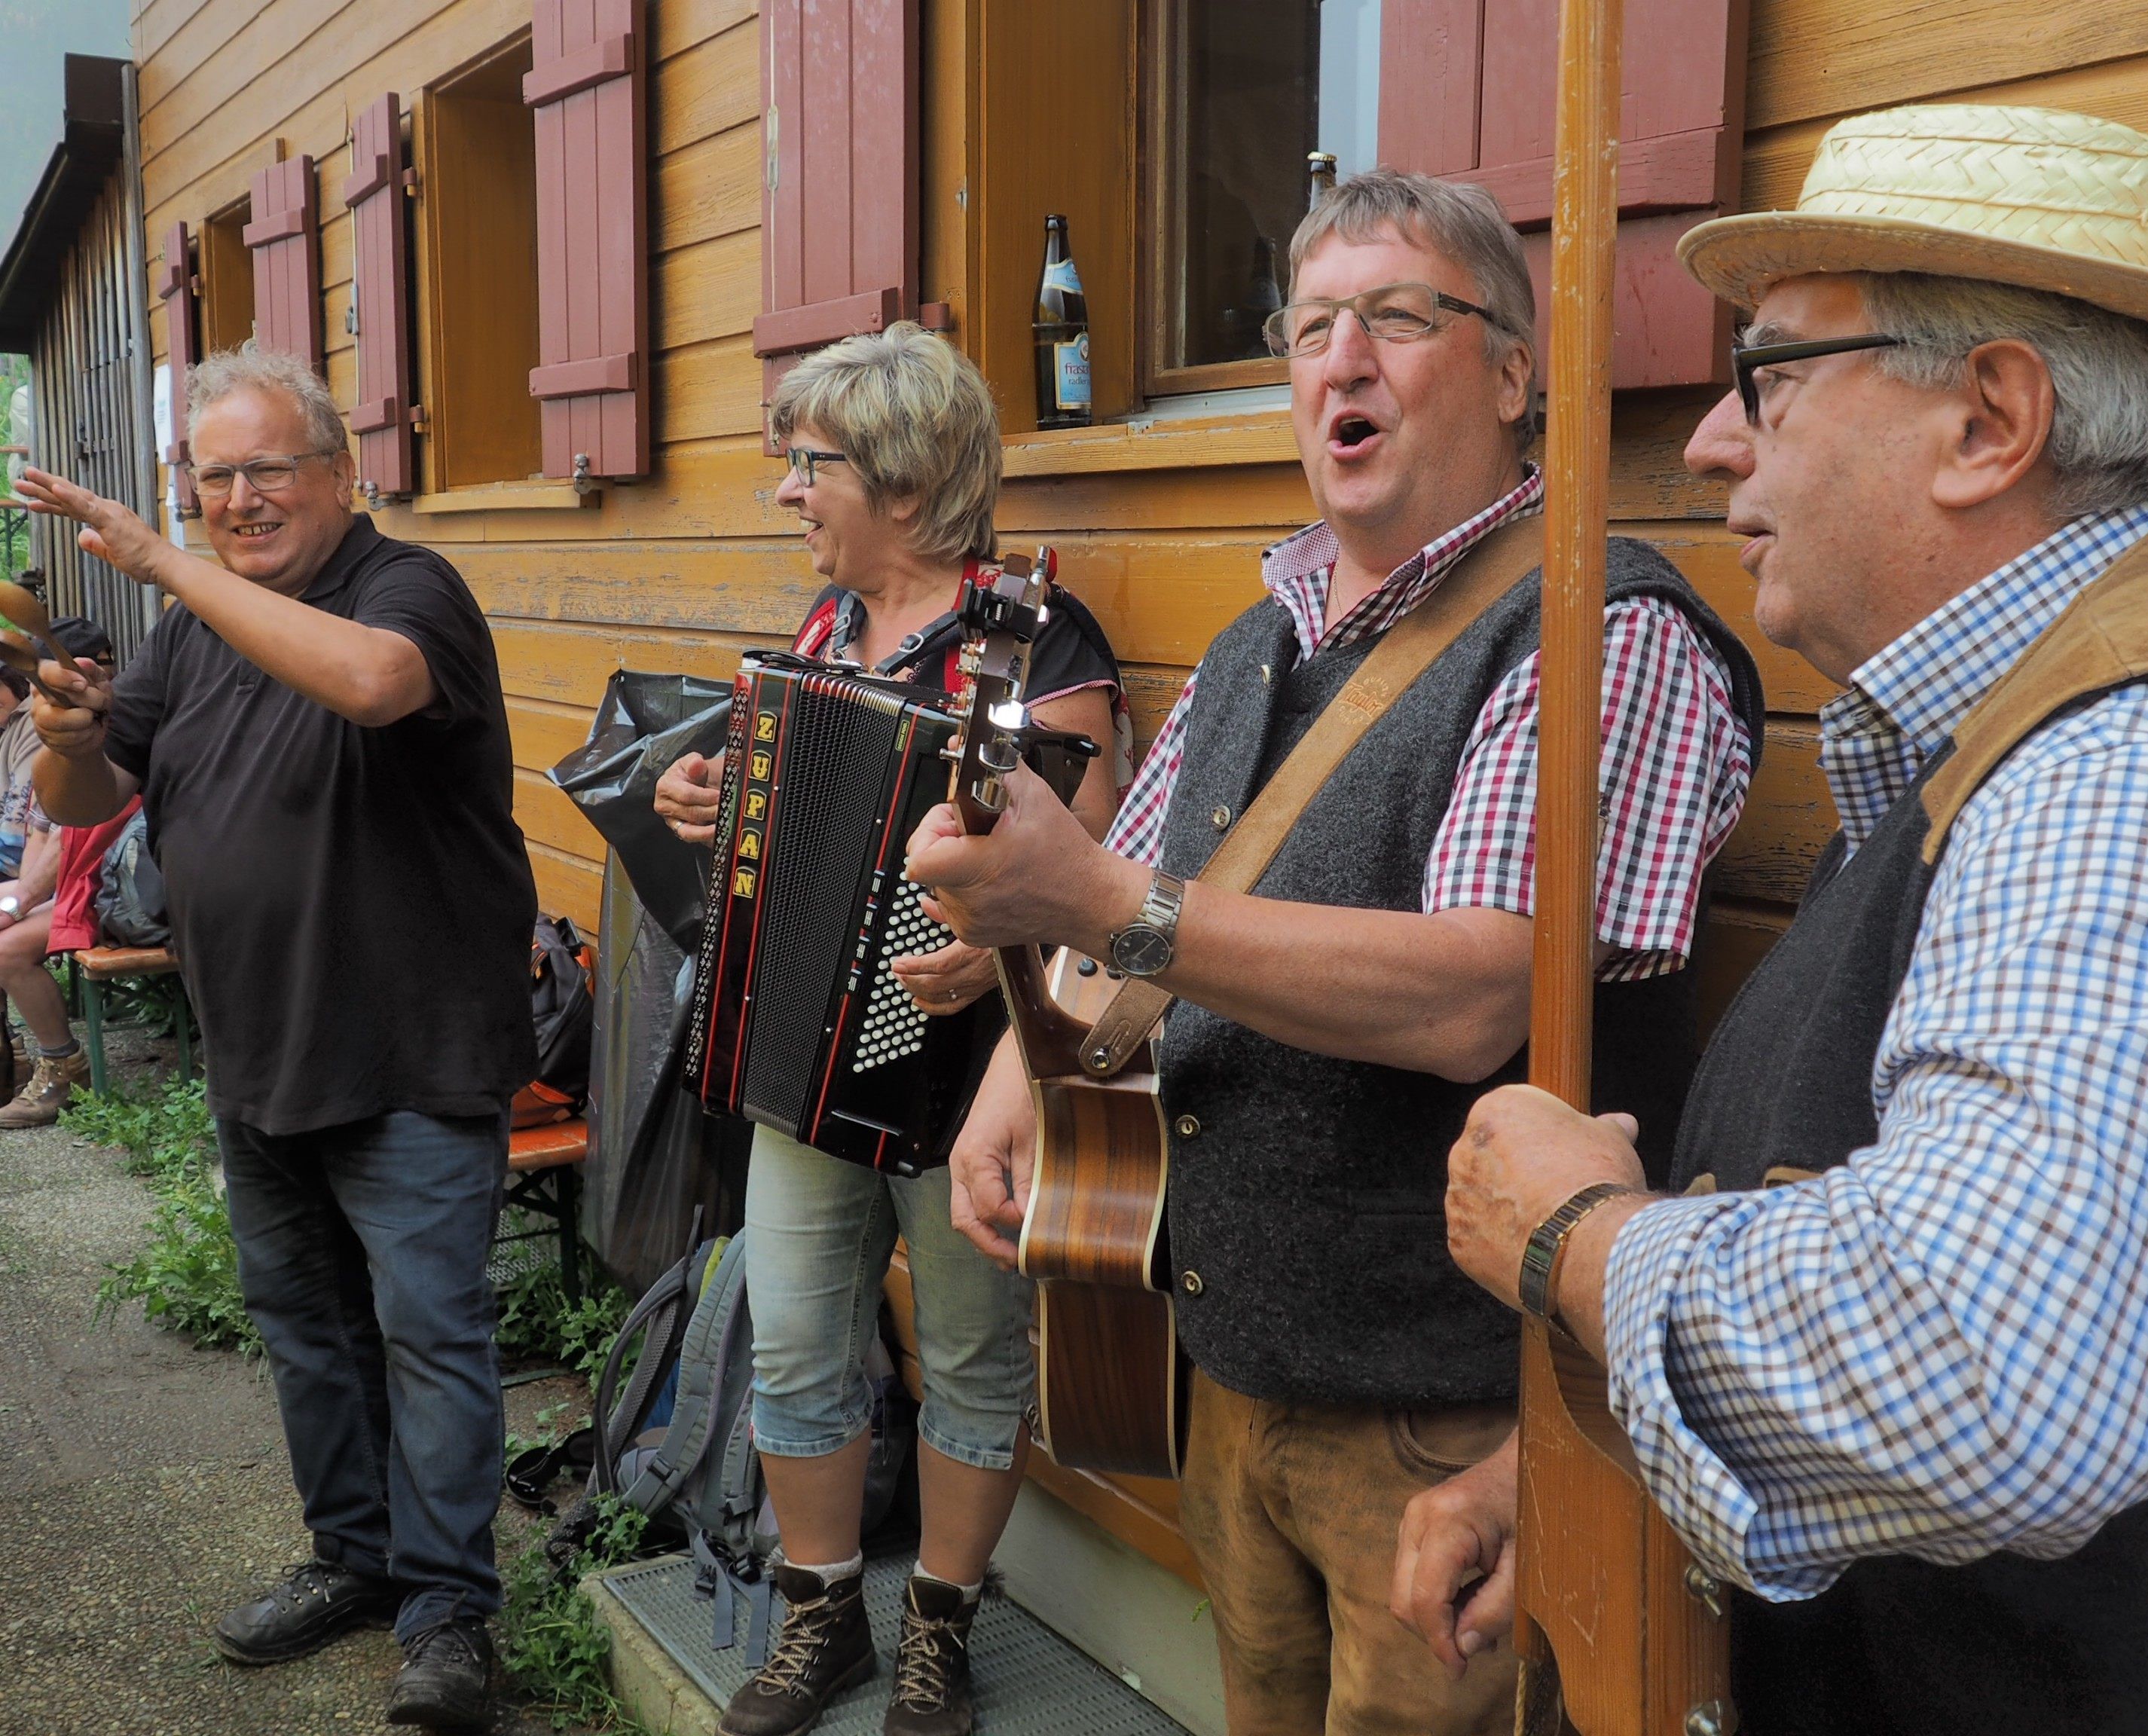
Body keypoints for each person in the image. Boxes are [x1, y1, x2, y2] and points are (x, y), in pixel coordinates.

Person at [1412, 103, 2148, 1735]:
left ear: (1989, 419)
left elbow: (1975, 1359)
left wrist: (1574, 1245)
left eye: (1772, 375)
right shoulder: (2015, 721)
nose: (1710, 441)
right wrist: (1581, 1449)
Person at [908, 169, 1759, 1736]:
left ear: (1513, 371)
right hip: (1240, 1375)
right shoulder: (1260, 638)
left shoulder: (1599, 627)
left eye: (1395, 318)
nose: (1337, 361)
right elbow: (1130, 923)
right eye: (1308, 327)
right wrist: (1022, 1072)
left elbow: (1474, 992)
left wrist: (1094, 907)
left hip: (1463, 1431)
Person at [17, 342, 534, 1734]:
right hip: (260, 1043)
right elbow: (85, 791)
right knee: (307, 1330)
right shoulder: (197, 630)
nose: (237, 499)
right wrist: (65, 726)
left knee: (429, 1334)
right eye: (213, 475)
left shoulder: (402, 586)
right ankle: (355, 1558)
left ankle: (450, 1611)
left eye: (264, 469)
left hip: (413, 1044)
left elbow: (372, 685)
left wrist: (163, 556)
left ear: (340, 469)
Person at [652, 322, 1126, 1736]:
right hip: (805, 1060)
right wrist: (707, 797)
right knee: (797, 1337)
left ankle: (939, 1629)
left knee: (976, 1350)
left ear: (905, 486)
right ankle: (821, 1623)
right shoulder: (820, 636)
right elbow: (778, 808)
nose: (791, 491)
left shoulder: (1033, 639)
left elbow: (1095, 847)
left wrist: (991, 949)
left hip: (967, 1074)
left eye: (812, 466)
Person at [0, 614, 115, 1123]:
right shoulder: (49, 731)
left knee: (5, 949)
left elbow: (73, 845)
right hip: (73, 888)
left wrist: (17, 903)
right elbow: (38, 834)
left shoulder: (108, 728)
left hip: (116, 890)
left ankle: (63, 1068)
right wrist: (20, 897)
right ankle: (14, 1055)